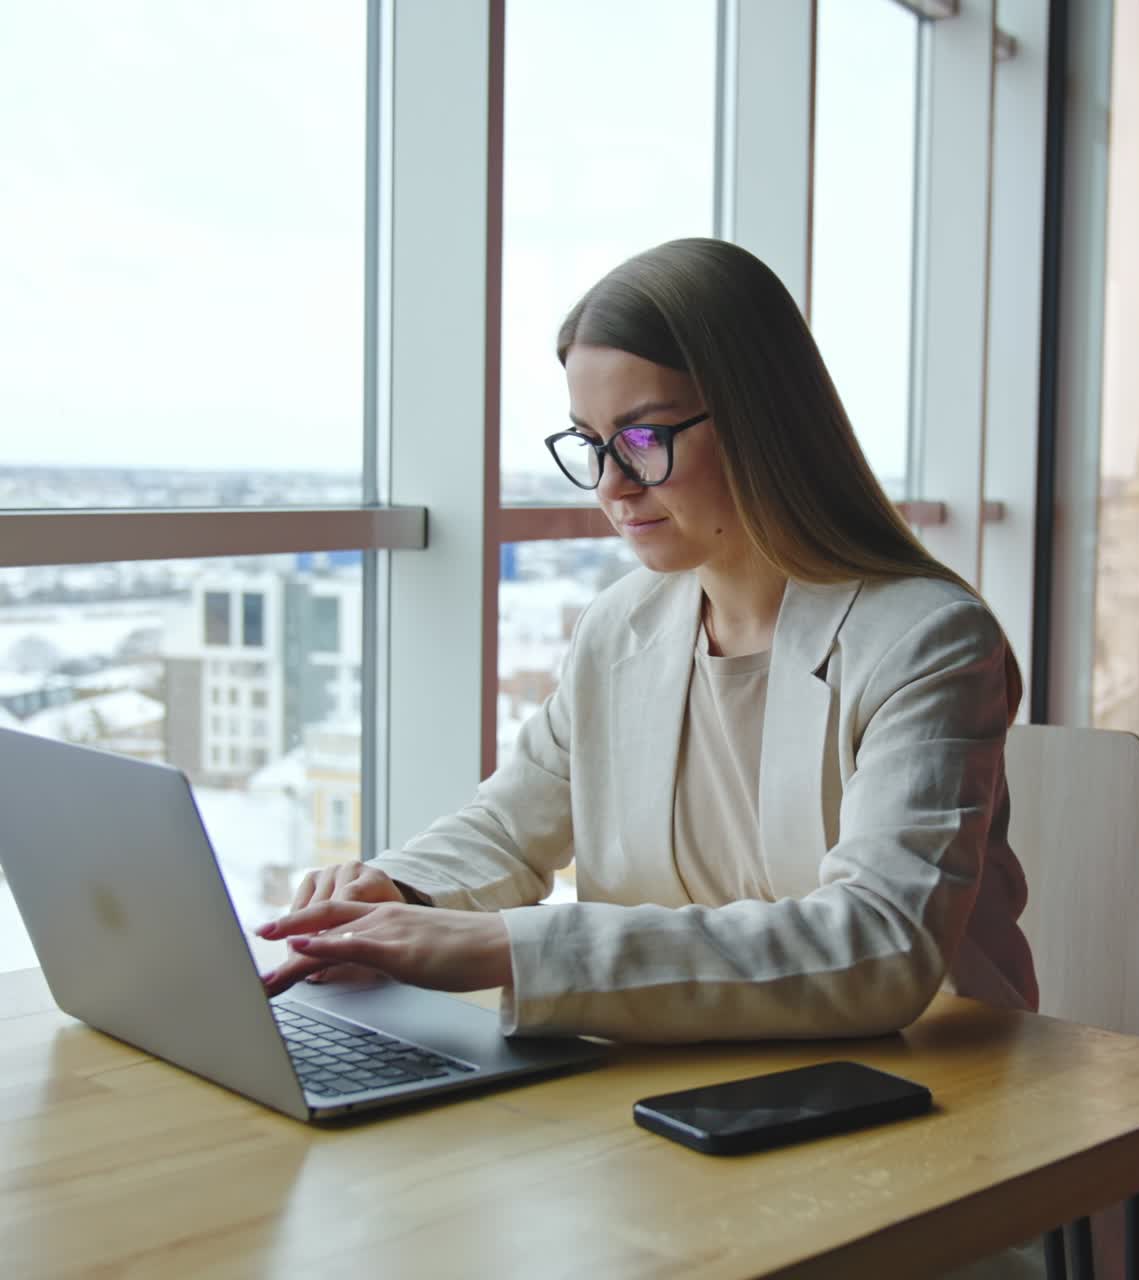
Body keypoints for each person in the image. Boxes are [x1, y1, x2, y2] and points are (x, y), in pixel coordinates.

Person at [258, 236, 1038, 1039]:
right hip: (686, 1083)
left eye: (643, 438)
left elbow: (879, 946)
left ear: (760, 421)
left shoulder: (925, 640)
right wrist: (392, 895)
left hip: (930, 1089)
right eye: (592, 445)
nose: (611, 486)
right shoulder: (621, 625)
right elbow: (508, 826)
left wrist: (507, 946)